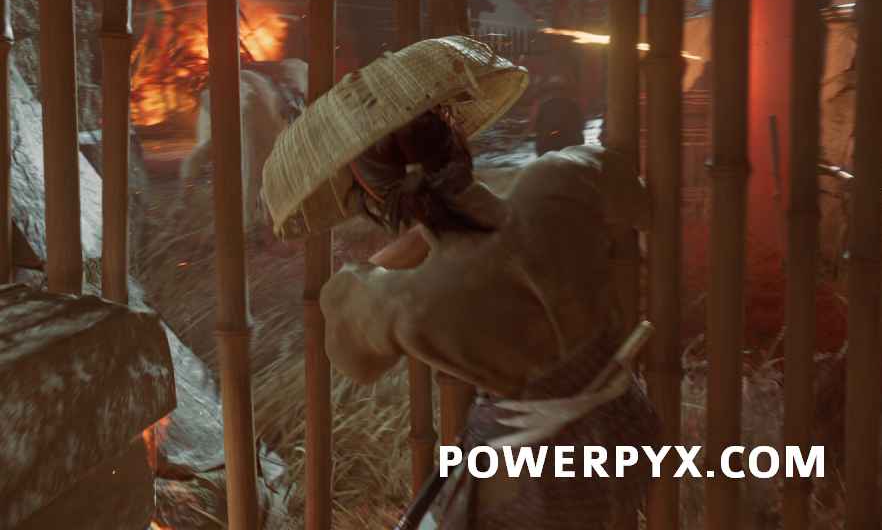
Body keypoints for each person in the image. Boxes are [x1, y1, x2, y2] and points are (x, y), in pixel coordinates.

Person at [260, 36, 657, 529]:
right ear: (456, 138)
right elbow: (637, 201)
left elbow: (351, 355)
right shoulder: (560, 181)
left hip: (534, 487)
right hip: (626, 432)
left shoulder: (405, 302)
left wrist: (418, 234)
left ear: (369, 192)